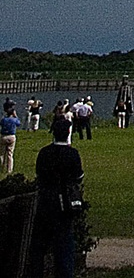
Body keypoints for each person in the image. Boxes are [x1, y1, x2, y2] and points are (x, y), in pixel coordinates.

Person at [30, 113, 84, 278]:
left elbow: (39, 173)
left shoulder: (44, 153)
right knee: (64, 241)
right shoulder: (72, 154)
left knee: (40, 242)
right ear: (68, 133)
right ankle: (64, 273)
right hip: (65, 201)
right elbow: (79, 177)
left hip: (46, 199)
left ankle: (36, 271)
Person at [1, 99, 20, 175]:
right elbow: (18, 123)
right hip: (12, 136)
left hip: (3, 136)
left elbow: (1, 124)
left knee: (1, 154)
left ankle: (1, 167)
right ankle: (9, 170)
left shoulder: (4, 119)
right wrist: (16, 116)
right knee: (10, 154)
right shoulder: (14, 120)